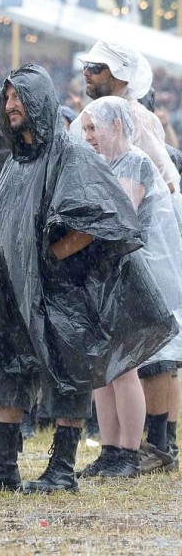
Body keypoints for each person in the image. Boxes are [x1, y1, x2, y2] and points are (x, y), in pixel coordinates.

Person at [0, 64, 177, 494]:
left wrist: (52, 256)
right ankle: (1, 463)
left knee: (66, 371)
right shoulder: (19, 161)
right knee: (6, 363)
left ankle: (61, 467)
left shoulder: (70, 154)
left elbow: (103, 216)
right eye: (8, 98)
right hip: (14, 289)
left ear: (38, 102)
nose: (10, 105)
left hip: (62, 289)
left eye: (19, 97)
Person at [78, 97, 182, 476]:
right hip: (108, 277)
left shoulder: (134, 161)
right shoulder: (105, 164)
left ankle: (128, 451)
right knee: (102, 369)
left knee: (125, 369)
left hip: (133, 278)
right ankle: (110, 450)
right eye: (85, 129)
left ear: (116, 127)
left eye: (94, 128)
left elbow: (118, 215)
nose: (87, 136)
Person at [76, 40, 179, 194]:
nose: (86, 73)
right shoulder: (94, 114)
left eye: (95, 68)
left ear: (120, 75)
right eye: (86, 66)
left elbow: (166, 184)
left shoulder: (135, 117)